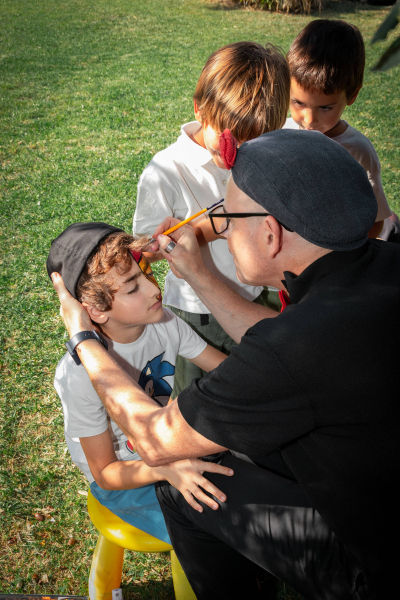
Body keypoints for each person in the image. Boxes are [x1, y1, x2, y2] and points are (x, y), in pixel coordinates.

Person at [51, 130, 400, 600]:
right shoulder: (380, 268)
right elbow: (286, 341)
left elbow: (158, 442)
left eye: (227, 217)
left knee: (183, 489)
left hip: (373, 566)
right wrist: (199, 271)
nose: (218, 230)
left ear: (271, 233)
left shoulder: (293, 349)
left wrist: (83, 340)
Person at [47, 223, 233, 543]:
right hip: (130, 484)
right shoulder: (80, 374)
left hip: (168, 443)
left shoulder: (164, 321)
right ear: (96, 311)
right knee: (218, 527)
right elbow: (105, 473)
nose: (153, 289)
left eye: (145, 273)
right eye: (133, 288)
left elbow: (225, 369)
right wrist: (164, 470)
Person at [133, 41, 289, 399]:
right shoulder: (165, 171)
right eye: (228, 140)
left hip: (260, 298)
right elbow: (146, 251)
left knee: (261, 382)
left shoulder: (268, 152)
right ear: (199, 109)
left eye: (256, 141)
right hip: (196, 311)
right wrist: (197, 234)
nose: (237, 153)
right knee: (199, 396)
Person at [283, 19, 397, 240]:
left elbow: (375, 221)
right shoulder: (278, 134)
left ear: (352, 95)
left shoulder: (358, 151)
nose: (309, 119)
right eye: (298, 103)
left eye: (325, 107)